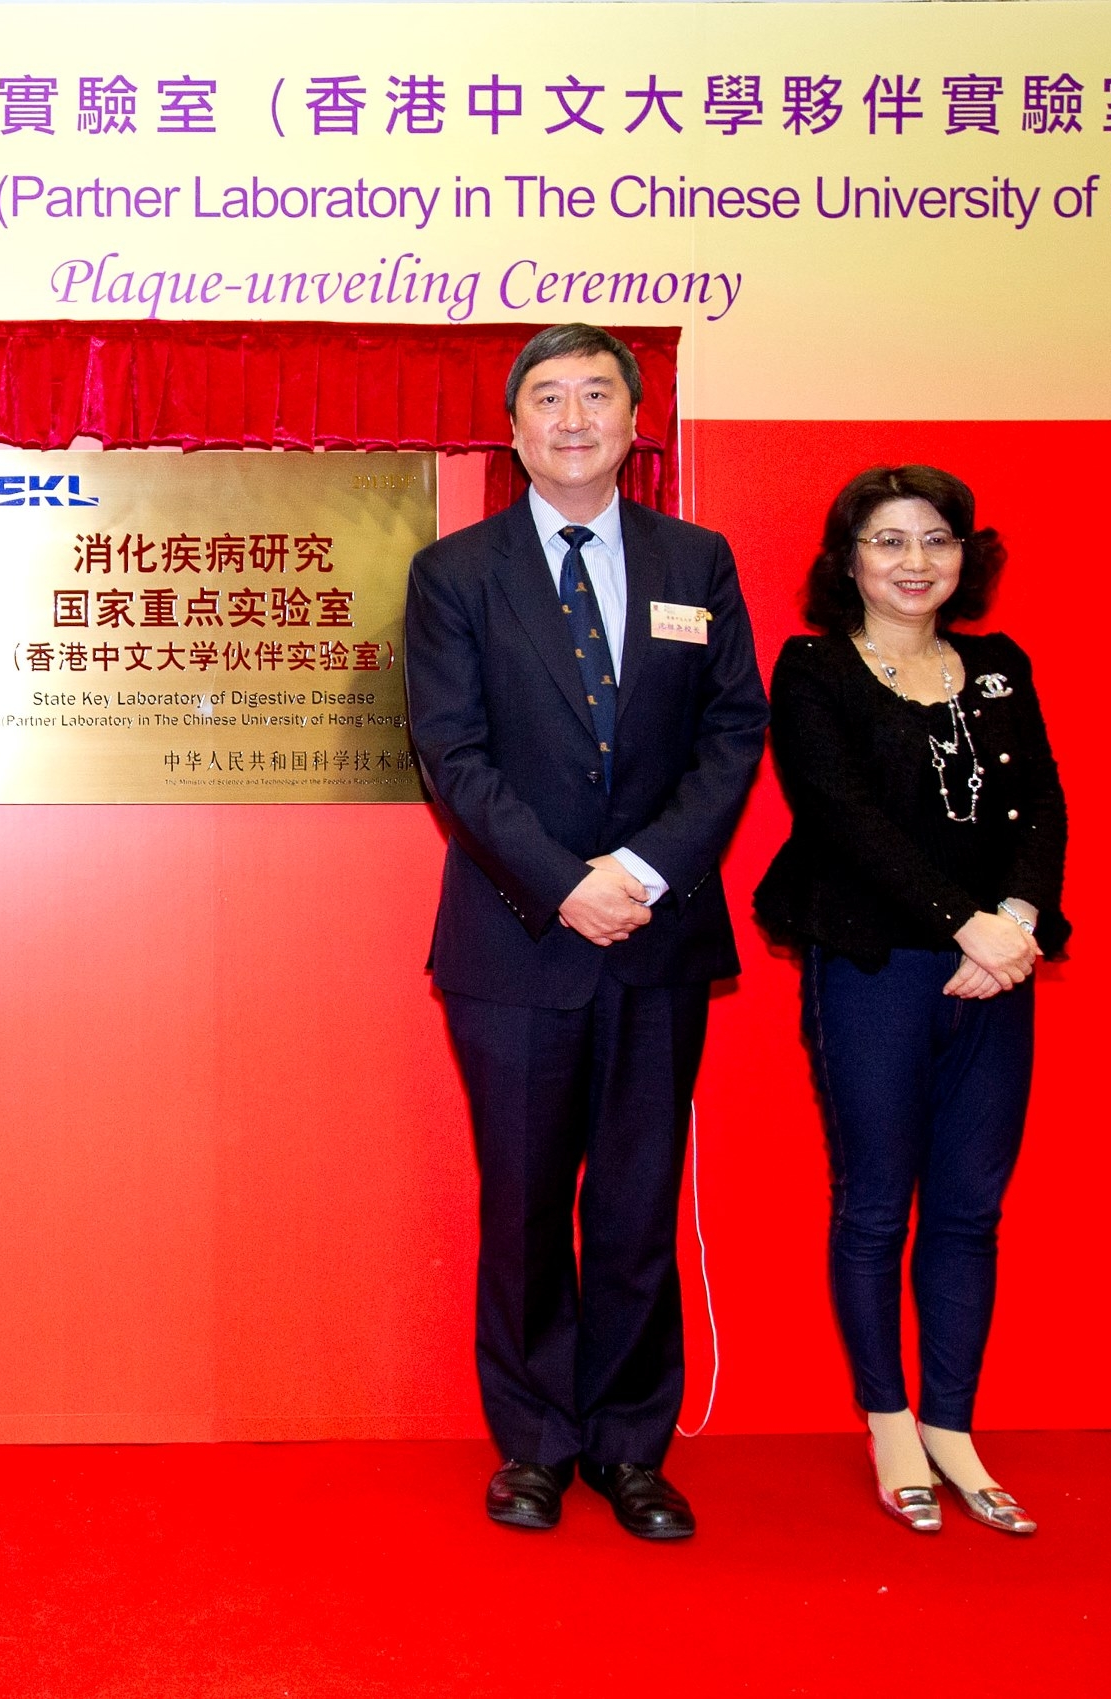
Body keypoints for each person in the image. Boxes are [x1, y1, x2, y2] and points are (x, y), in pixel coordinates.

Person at [402, 325, 769, 1539]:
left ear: (632, 421)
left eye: (596, 396)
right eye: (546, 399)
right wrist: (567, 882)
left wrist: (646, 872)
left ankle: (627, 1445)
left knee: (635, 1201)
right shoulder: (457, 574)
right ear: (511, 433)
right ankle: (536, 1443)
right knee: (522, 1205)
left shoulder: (696, 561)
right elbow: (452, 756)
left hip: (657, 937)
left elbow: (731, 738)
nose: (572, 418)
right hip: (517, 939)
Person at [754, 464, 1067, 1537]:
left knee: (972, 1207)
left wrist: (1016, 923)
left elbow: (1043, 810)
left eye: (935, 539)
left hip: (998, 973)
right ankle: (890, 1423)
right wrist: (962, 923)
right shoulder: (814, 670)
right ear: (849, 561)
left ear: (963, 557)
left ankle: (953, 1425)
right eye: (887, 541)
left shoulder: (998, 667)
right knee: (879, 1202)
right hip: (875, 967)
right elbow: (842, 818)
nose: (914, 561)